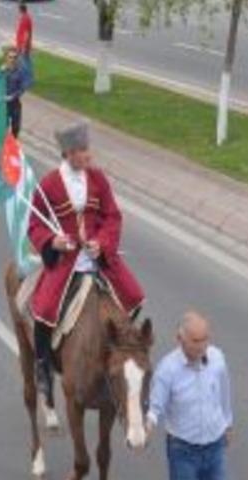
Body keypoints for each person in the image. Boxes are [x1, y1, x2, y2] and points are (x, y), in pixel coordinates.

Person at [27, 121, 145, 402]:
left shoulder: (98, 179)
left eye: (87, 149)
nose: (87, 155)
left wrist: (102, 242)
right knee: (43, 309)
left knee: (134, 295)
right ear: (67, 153)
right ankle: (43, 367)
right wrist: (53, 241)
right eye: (81, 151)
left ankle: (121, 350)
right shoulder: (49, 184)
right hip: (67, 262)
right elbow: (34, 224)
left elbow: (112, 216)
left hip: (97, 259)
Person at [146, 311, 233, 480]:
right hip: (183, 453)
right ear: (180, 339)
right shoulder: (167, 369)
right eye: (195, 341)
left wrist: (228, 424)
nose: (201, 346)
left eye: (205, 339)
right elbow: (156, 406)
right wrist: (147, 427)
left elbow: (224, 394)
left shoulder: (217, 358)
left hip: (215, 447)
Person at [3, 47, 27, 138]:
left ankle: (14, 144)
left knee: (16, 127)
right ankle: (3, 145)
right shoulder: (1, 71)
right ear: (6, 58)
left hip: (15, 103)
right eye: (10, 57)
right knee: (3, 127)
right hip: (3, 104)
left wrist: (13, 96)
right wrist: (0, 72)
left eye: (14, 57)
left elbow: (22, 88)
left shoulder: (20, 72)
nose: (12, 59)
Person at [15, 1, 34, 88]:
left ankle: (27, 80)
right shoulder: (25, 17)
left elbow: (26, 34)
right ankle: (27, 79)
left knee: (24, 63)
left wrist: (23, 47)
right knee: (26, 62)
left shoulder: (25, 19)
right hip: (22, 45)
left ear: (20, 9)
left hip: (23, 46)